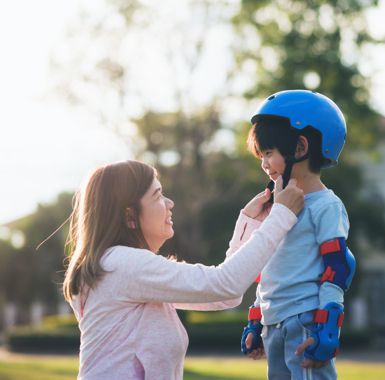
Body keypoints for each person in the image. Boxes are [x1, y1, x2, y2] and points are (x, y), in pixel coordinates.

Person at [63, 159, 304, 380]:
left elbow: (224, 295)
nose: (170, 203)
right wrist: (281, 216)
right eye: (157, 196)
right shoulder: (123, 265)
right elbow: (224, 285)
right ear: (130, 216)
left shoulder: (121, 267)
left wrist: (249, 224)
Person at [240, 90, 356, 380]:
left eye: (268, 153)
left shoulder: (326, 206)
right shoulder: (276, 208)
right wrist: (256, 315)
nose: (264, 164)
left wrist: (328, 325)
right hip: (274, 322)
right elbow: (268, 266)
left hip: (304, 320)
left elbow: (338, 267)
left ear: (300, 147)